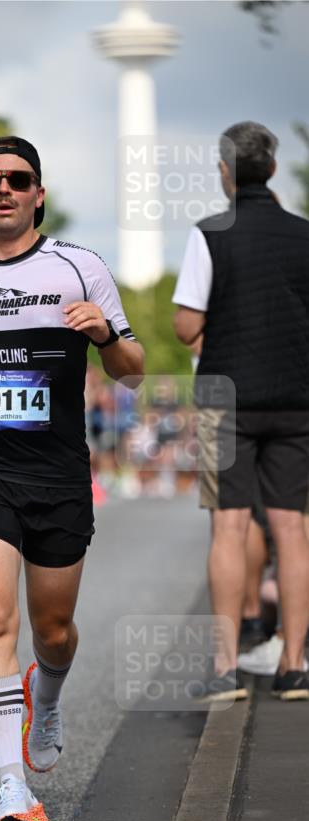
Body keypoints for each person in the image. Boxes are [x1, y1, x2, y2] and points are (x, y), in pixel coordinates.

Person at [0, 136, 144, 821]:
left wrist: (105, 334)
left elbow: (133, 369)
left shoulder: (80, 267)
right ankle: (10, 787)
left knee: (51, 630)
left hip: (57, 472)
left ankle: (45, 696)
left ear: (38, 193)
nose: (4, 189)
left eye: (18, 179)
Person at [173, 121, 309, 702]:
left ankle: (227, 668)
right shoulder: (305, 235)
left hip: (226, 401)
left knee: (229, 527)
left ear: (225, 173)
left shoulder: (210, 233)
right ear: (273, 170)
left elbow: (184, 327)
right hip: (297, 399)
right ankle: (295, 664)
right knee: (293, 528)